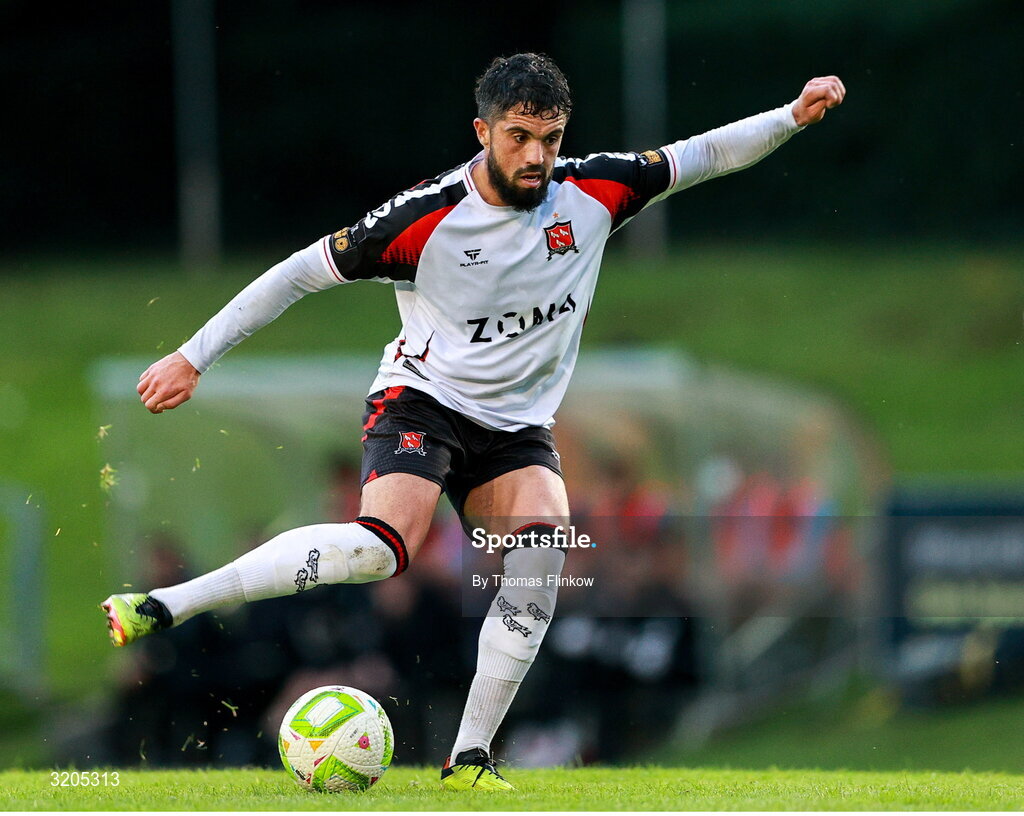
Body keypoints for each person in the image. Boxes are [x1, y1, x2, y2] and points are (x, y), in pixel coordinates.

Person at [101, 53, 845, 790]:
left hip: (517, 428)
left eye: (551, 138)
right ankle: (167, 604)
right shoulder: (423, 219)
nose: (537, 156)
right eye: (520, 136)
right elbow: (298, 272)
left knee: (544, 558)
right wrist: (193, 357)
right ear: (482, 131)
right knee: (381, 552)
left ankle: (470, 759)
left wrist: (790, 116)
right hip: (422, 401)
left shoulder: (595, 191)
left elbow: (706, 154)